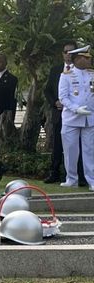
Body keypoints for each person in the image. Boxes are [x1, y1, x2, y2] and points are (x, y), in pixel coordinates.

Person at [43, 41, 86, 185]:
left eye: (71, 52)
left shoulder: (83, 70)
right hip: (59, 113)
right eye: (66, 51)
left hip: (77, 114)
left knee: (79, 146)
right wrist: (55, 102)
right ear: (62, 53)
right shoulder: (56, 70)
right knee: (58, 146)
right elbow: (47, 90)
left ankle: (80, 176)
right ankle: (54, 173)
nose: (68, 54)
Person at [58, 45, 94, 191]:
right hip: (71, 118)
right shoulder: (66, 75)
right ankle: (71, 178)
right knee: (70, 150)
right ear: (78, 59)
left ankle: (91, 179)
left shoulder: (92, 74)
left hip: (90, 118)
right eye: (86, 58)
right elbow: (63, 97)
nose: (89, 60)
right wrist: (76, 109)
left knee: (89, 150)